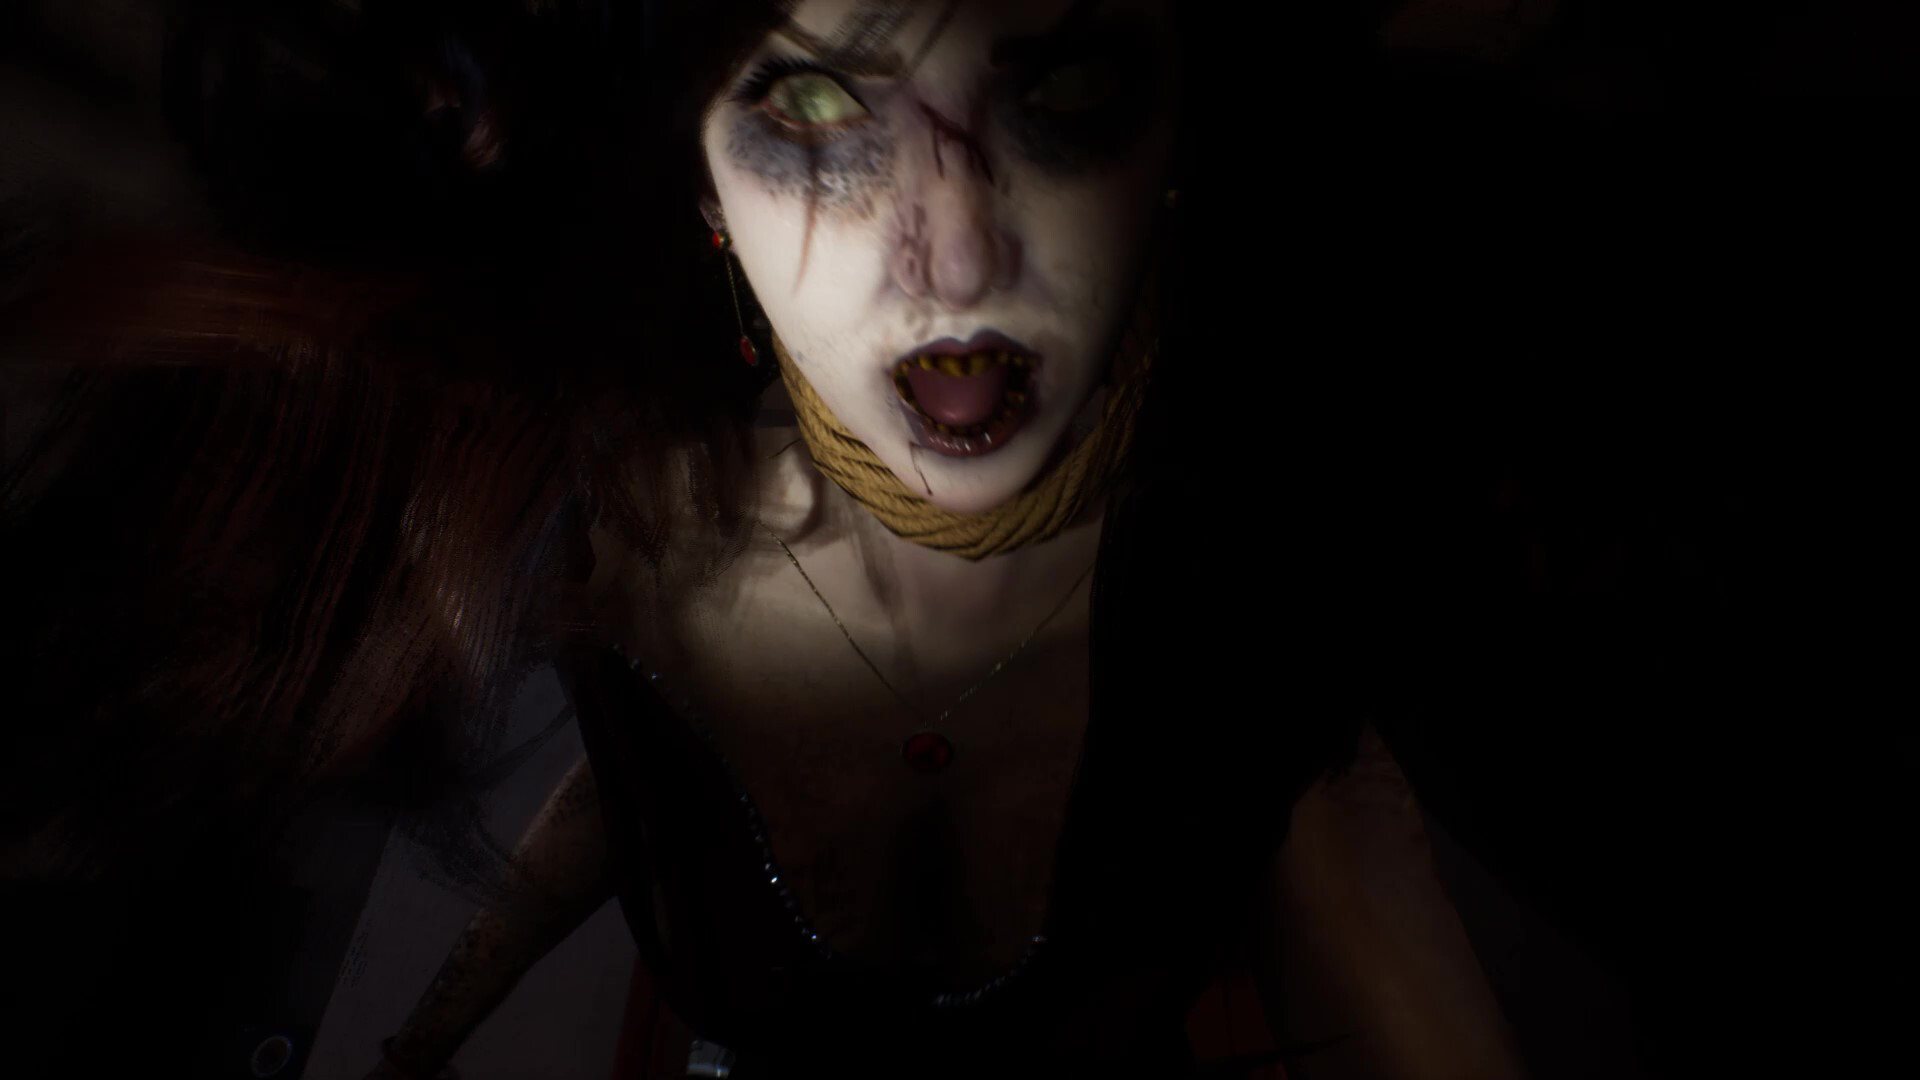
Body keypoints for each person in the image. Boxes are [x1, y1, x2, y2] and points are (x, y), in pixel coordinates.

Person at [363, 2, 1525, 1078]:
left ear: (1180, 134)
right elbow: (644, 787)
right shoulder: (644, 540)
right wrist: (424, 1036)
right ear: (703, 187)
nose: (960, 259)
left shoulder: (1248, 605)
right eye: (815, 101)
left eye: (1068, 86)